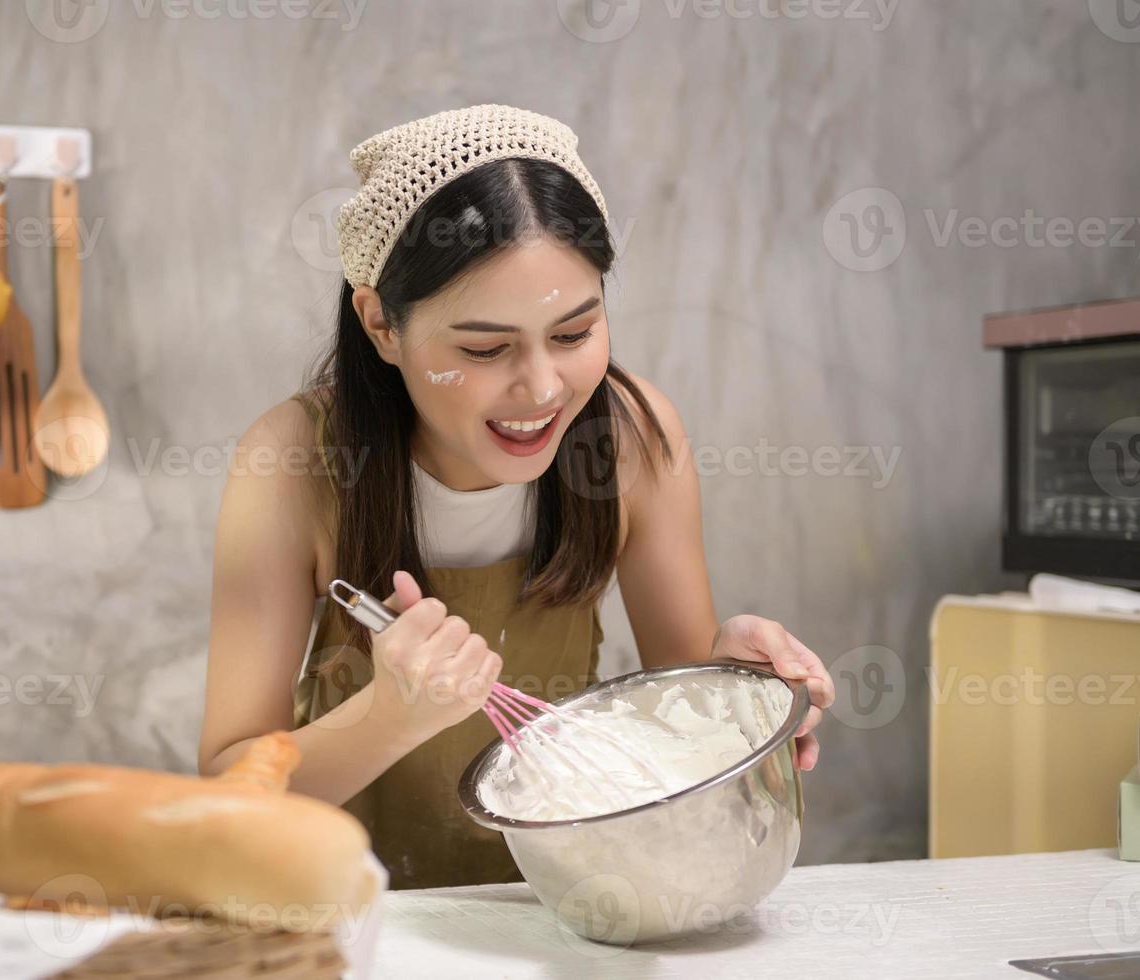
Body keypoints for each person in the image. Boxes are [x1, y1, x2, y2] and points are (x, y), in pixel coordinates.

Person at [199, 104, 834, 889]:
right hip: (343, 917)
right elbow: (228, 800)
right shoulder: (292, 463)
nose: (540, 388)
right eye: (484, 348)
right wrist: (389, 717)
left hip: (562, 911)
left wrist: (743, 691)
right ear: (380, 326)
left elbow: (689, 734)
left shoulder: (630, 440)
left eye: (573, 334)